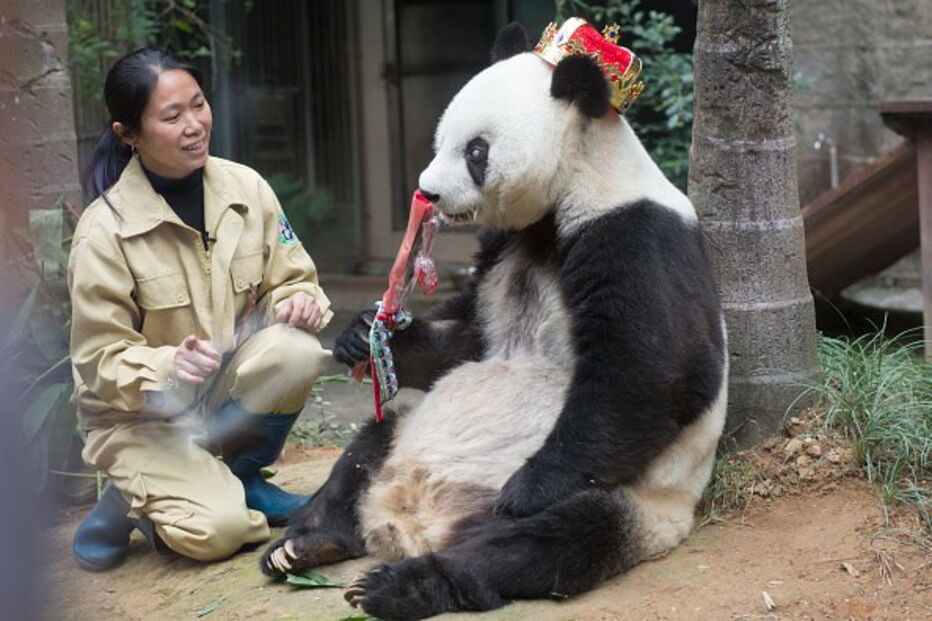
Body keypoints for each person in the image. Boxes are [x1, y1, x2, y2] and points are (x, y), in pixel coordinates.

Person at [69, 48, 332, 571]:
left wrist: (297, 300)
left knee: (296, 351)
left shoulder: (246, 188)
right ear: (128, 134)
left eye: (199, 105)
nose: (195, 125)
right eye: (172, 116)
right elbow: (97, 361)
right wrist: (168, 365)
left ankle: (237, 476)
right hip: (141, 420)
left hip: (216, 394)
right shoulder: (104, 232)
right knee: (219, 533)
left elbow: (292, 275)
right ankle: (137, 496)